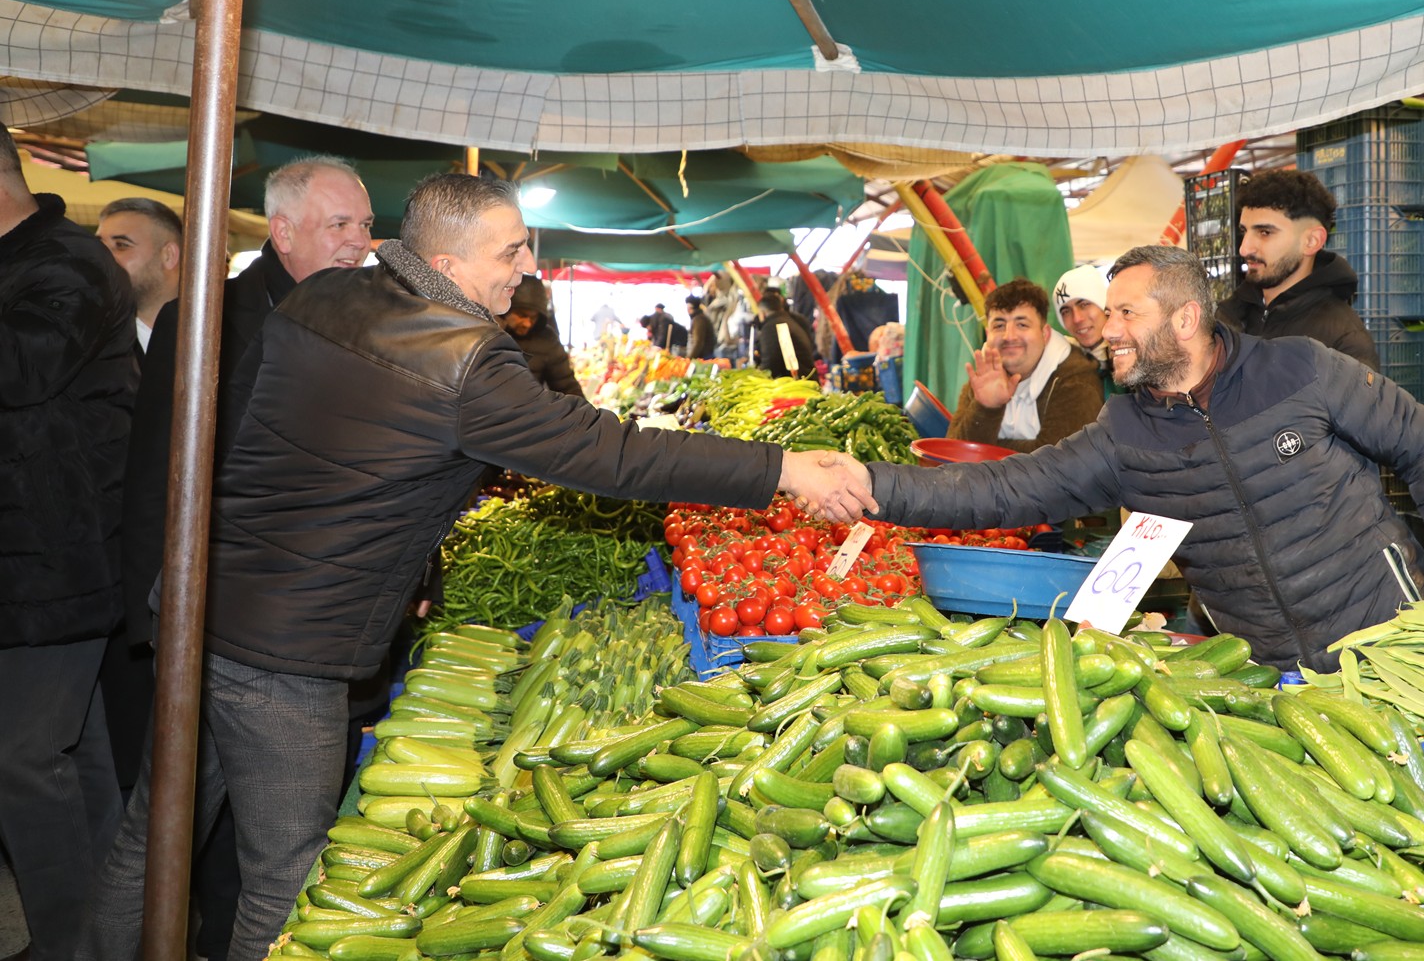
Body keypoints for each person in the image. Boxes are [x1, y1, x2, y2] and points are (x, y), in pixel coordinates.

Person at [80, 174, 871, 961]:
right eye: (511, 249)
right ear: (449, 264)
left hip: (204, 608)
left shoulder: (323, 298)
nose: (526, 265)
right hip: (290, 653)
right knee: (290, 885)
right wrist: (782, 469)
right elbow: (615, 454)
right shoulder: (466, 359)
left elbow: (329, 458)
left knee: (152, 838)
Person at [847, 245, 1424, 673]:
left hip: (1392, 640)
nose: (1108, 329)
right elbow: (1006, 489)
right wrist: (872, 484)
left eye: (1127, 312)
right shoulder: (1123, 430)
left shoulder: (1299, 369)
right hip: (1267, 674)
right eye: (1109, 313)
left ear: (1185, 318)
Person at [106, 155, 375, 961]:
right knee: (206, 849)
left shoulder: (356, 316)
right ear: (282, 231)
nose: (360, 242)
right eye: (341, 225)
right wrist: (158, 628)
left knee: (176, 836)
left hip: (282, 625)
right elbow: (155, 482)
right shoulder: (207, 322)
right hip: (229, 623)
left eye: (365, 224)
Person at [0, 126, 136, 961]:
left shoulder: (70, 262)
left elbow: (20, 368)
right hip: (36, 559)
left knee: (20, 759)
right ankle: (113, 934)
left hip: (57, 559)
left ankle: (69, 947)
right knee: (76, 760)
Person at [1215, 168, 1378, 371]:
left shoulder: (1342, 341)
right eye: (1244, 232)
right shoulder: (1227, 317)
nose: (1245, 248)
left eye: (1265, 232)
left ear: (1311, 241)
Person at [947, 278, 1102, 453]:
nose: (1009, 336)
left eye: (1022, 324)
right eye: (999, 325)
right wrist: (986, 408)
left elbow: (1059, 464)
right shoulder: (985, 376)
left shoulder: (1076, 381)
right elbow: (955, 453)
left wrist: (986, 449)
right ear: (988, 334)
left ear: (1044, 334)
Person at [96, 196, 183, 353]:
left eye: (121, 245)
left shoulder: (221, 337)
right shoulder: (89, 341)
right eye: (99, 246)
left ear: (168, 255)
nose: (102, 257)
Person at [503, 275, 584, 396]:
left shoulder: (547, 340)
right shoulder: (488, 334)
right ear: (507, 309)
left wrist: (587, 414)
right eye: (521, 315)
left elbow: (567, 385)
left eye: (533, 317)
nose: (527, 323)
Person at [1051, 263, 1115, 391]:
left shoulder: (1136, 353)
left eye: (1084, 305)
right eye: (1066, 312)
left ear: (1105, 306)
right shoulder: (1059, 363)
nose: (1077, 319)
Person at [755, 287, 814, 379]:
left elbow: (770, 364)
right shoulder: (788, 320)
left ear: (763, 312)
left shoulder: (771, 327)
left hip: (797, 383)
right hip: (805, 377)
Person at [685, 294, 716, 360]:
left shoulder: (698, 320)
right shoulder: (700, 317)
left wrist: (689, 358)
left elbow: (698, 342)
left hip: (703, 358)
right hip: (704, 355)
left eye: (688, 308)